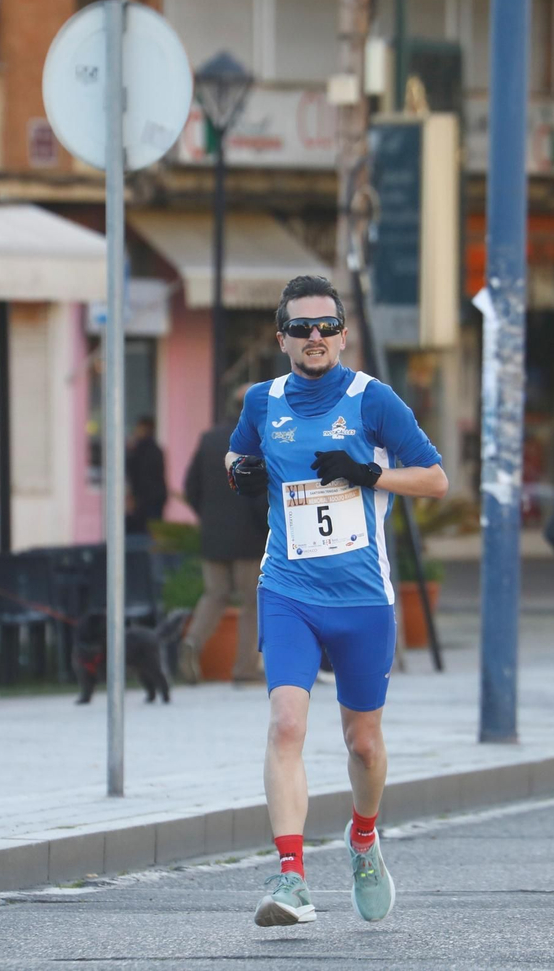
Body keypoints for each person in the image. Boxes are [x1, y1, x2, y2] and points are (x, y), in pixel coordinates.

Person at [226, 275, 447, 928]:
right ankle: (291, 876)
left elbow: (436, 479)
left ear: (344, 335)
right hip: (288, 588)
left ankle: (363, 836)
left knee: (364, 745)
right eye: (301, 327)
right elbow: (237, 460)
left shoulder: (372, 400)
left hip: (362, 598)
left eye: (326, 326)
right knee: (286, 725)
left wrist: (370, 473)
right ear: (283, 339)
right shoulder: (262, 401)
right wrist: (243, 475)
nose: (314, 337)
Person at [180, 394, 268, 684]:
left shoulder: (209, 439)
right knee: (251, 603)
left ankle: (192, 641)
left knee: (214, 595)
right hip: (250, 539)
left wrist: (208, 518)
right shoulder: (258, 441)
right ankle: (244, 669)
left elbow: (190, 487)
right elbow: (260, 493)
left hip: (213, 538)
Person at [125, 415, 168, 533]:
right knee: (153, 533)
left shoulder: (138, 450)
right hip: (156, 497)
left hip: (142, 499)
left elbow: (134, 474)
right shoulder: (156, 450)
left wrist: (132, 496)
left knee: (139, 535)